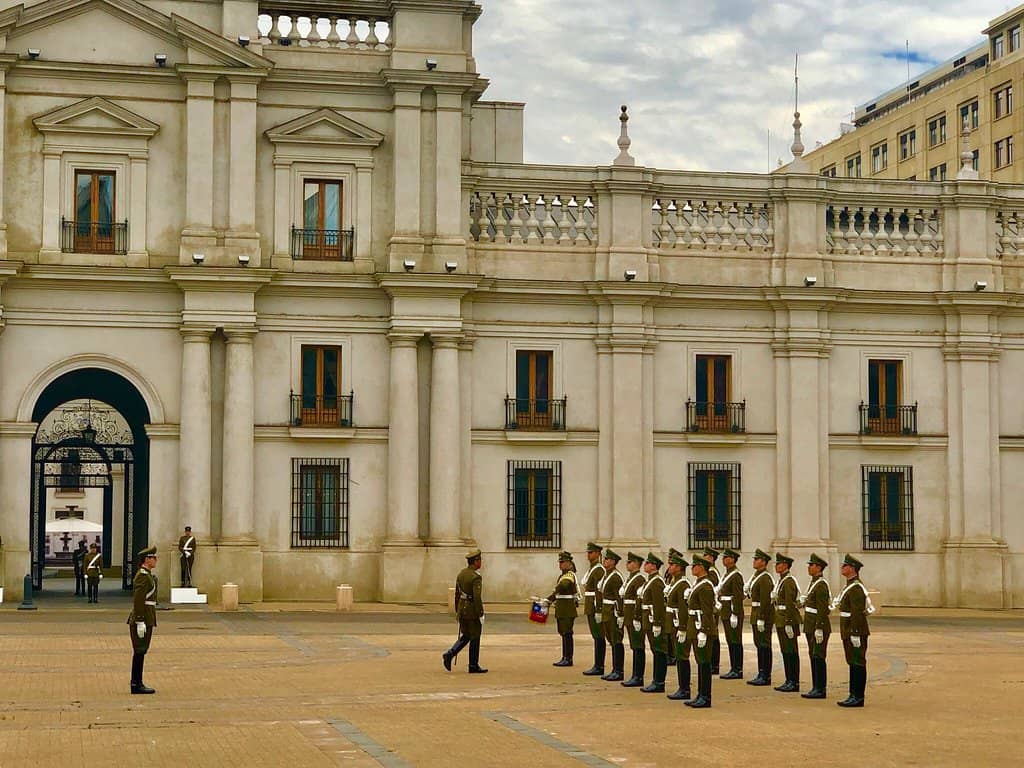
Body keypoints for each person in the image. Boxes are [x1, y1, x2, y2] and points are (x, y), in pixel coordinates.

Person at [836, 554, 872, 707]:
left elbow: (857, 612)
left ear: (851, 568)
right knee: (852, 662)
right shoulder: (850, 585)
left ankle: (858, 696)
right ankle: (853, 694)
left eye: (844, 566)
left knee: (858, 662)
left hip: (854, 630)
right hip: (848, 629)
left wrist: (855, 632)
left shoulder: (856, 587)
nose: (842, 568)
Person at [443, 548, 487, 673]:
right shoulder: (476, 577)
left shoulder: (461, 574)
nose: (481, 563)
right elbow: (477, 597)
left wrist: (458, 611)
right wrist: (480, 613)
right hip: (472, 611)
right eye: (479, 560)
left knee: (467, 635)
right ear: (475, 561)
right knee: (475, 637)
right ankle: (473, 665)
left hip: (462, 610)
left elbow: (457, 594)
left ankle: (450, 654)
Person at [685, 554, 717, 708]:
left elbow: (707, 611)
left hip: (701, 629)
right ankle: (700, 694)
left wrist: (704, 630)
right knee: (700, 662)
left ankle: (706, 697)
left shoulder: (706, 586)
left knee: (704, 663)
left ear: (702, 567)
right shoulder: (699, 583)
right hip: (695, 627)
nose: (692, 568)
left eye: (694, 565)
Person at [128, 545, 158, 694]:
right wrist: (140, 620)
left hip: (147, 615)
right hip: (143, 616)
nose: (156, 560)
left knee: (141, 650)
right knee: (139, 651)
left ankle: (137, 682)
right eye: (154, 558)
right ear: (147, 559)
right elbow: (138, 600)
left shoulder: (147, 575)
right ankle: (136, 683)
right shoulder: (142, 576)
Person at [772, 552, 802, 692]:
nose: (776, 566)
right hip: (781, 619)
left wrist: (789, 622)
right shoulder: (782, 580)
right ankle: (789, 679)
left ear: (785, 565)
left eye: (778, 564)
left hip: (787, 619)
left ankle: (794, 681)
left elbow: (790, 603)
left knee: (791, 651)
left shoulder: (789, 581)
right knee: (786, 651)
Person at [745, 548, 775, 686]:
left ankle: (765, 675)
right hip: (756, 613)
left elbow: (765, 600)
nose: (754, 561)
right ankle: (761, 672)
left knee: (764, 645)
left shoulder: (765, 578)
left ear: (763, 562)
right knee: (759, 644)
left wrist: (762, 618)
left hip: (762, 615)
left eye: (756, 559)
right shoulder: (757, 576)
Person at [664, 551, 691, 701]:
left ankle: (685, 688)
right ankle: (682, 687)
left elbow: (683, 608)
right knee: (679, 655)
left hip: (678, 625)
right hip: (673, 624)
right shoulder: (675, 581)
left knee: (682, 656)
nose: (669, 567)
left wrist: (682, 627)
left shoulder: (683, 584)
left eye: (672, 564)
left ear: (679, 567)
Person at [640, 552, 667, 693]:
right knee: (655, 650)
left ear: (653, 566)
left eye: (647, 563)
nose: (645, 565)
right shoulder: (650, 580)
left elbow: (658, 605)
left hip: (653, 621)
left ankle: (659, 682)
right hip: (648, 620)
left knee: (659, 651)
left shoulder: (656, 582)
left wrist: (657, 623)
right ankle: (656, 680)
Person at [620, 552, 648, 688]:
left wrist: (637, 617)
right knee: (634, 645)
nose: (627, 564)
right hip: (629, 615)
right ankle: (635, 675)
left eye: (630, 562)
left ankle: (638, 676)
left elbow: (639, 600)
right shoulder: (631, 578)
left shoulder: (639, 579)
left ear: (637, 564)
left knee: (638, 645)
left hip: (635, 616)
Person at [546, 551, 578, 667]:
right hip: (562, 608)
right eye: (560, 562)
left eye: (563, 562)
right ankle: (565, 656)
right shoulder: (563, 575)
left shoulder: (569, 575)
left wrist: (553, 593)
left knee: (567, 633)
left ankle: (568, 658)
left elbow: (564, 586)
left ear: (569, 563)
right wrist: (549, 600)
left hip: (567, 609)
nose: (560, 564)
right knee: (563, 633)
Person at [717, 548, 745, 679]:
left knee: (735, 640)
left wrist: (735, 613)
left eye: (727, 557)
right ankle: (733, 667)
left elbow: (737, 597)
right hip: (726, 610)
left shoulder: (736, 575)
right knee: (730, 640)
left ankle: (737, 669)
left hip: (732, 612)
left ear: (733, 560)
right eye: (724, 557)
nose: (724, 560)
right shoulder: (727, 574)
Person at [598, 549, 625, 681]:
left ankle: (618, 670)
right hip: (607, 610)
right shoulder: (607, 574)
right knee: (611, 639)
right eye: (605, 559)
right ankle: (615, 669)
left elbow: (619, 597)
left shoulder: (615, 577)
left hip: (613, 612)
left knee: (616, 640)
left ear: (614, 562)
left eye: (608, 559)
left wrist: (620, 614)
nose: (605, 561)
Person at [581, 542, 607, 677]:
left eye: (591, 552)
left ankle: (599, 665)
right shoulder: (592, 569)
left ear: (597, 553)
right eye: (588, 552)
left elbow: (599, 591)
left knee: (599, 636)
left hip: (595, 606)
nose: (588, 555)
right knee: (595, 636)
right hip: (591, 605)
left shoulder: (598, 570)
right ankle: (597, 664)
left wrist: (599, 609)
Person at [702, 547, 722, 673]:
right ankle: (712, 663)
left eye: (706, 555)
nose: (704, 557)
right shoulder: (709, 571)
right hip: (710, 607)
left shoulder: (712, 572)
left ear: (711, 558)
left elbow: (711, 591)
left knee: (713, 636)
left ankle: (714, 665)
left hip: (712, 607)